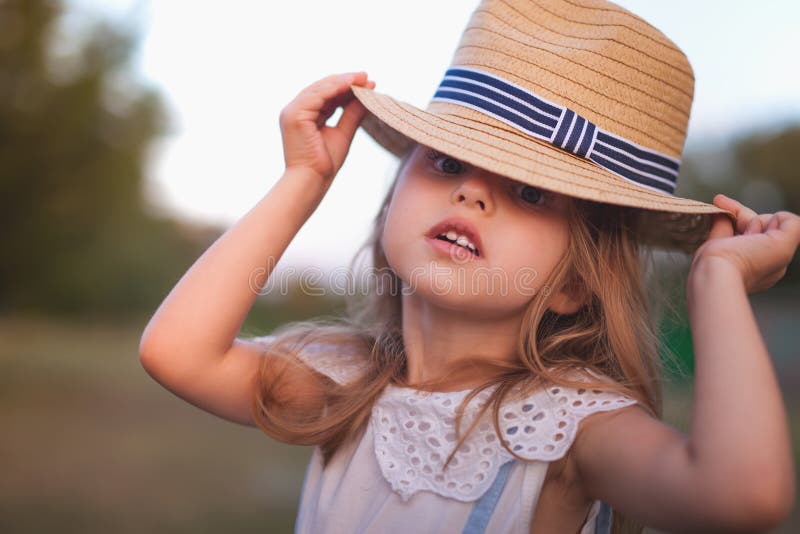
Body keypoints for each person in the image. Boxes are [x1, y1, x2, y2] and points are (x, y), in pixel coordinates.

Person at [139, 1, 799, 532]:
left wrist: (717, 282)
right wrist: (304, 181)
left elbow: (743, 499)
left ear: (574, 282)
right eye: (448, 163)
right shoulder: (349, 386)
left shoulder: (571, 431)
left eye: (530, 192)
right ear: (394, 192)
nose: (471, 192)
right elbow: (178, 352)